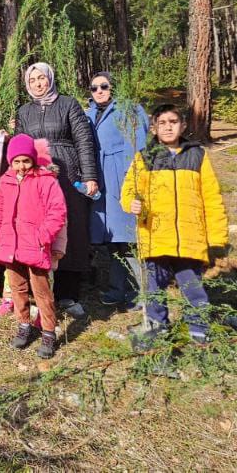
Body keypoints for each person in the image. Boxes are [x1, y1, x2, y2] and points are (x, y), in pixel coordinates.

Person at [121, 104, 228, 345]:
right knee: (154, 290)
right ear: (154, 128)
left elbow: (212, 197)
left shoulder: (197, 155)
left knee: (192, 287)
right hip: (155, 237)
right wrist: (132, 204)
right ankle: (157, 326)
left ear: (183, 125)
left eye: (173, 122)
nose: (168, 127)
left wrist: (216, 237)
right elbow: (130, 190)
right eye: (162, 123)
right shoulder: (145, 156)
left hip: (190, 238)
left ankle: (199, 329)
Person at [15, 62, 98, 318]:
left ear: (50, 78)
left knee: (69, 229)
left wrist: (90, 176)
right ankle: (39, 291)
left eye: (42, 78)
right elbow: (20, 143)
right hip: (36, 175)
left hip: (68, 173)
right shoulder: (24, 111)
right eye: (33, 80)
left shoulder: (68, 104)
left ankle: (68, 293)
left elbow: (84, 141)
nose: (38, 84)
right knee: (37, 228)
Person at [0, 134, 67, 359]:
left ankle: (48, 332)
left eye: (26, 161)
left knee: (41, 292)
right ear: (10, 162)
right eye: (16, 161)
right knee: (17, 289)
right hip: (10, 244)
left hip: (34, 245)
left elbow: (57, 212)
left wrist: (43, 236)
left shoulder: (45, 180)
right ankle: (24, 325)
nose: (21, 166)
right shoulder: (6, 181)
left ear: (33, 159)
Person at [85, 72, 148, 310]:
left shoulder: (130, 109)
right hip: (100, 182)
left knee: (129, 238)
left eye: (104, 86)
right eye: (94, 88)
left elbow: (140, 147)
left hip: (122, 179)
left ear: (114, 87)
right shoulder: (88, 113)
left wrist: (135, 181)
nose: (99, 91)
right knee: (112, 240)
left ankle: (139, 292)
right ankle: (116, 289)